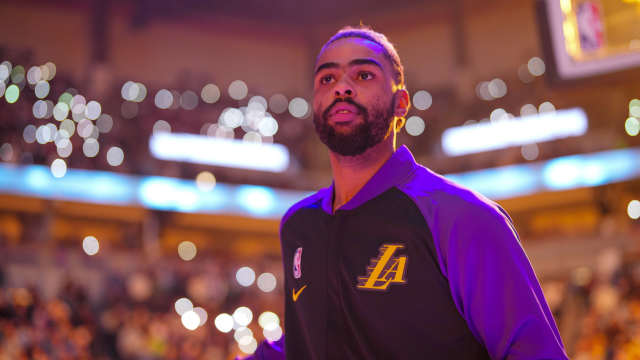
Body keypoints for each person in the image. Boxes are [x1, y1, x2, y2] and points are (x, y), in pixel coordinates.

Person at [278, 25, 569, 359]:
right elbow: (310, 339)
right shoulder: (299, 225)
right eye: (327, 79)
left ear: (400, 104)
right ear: (314, 104)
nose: (341, 88)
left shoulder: (462, 216)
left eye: (363, 75)